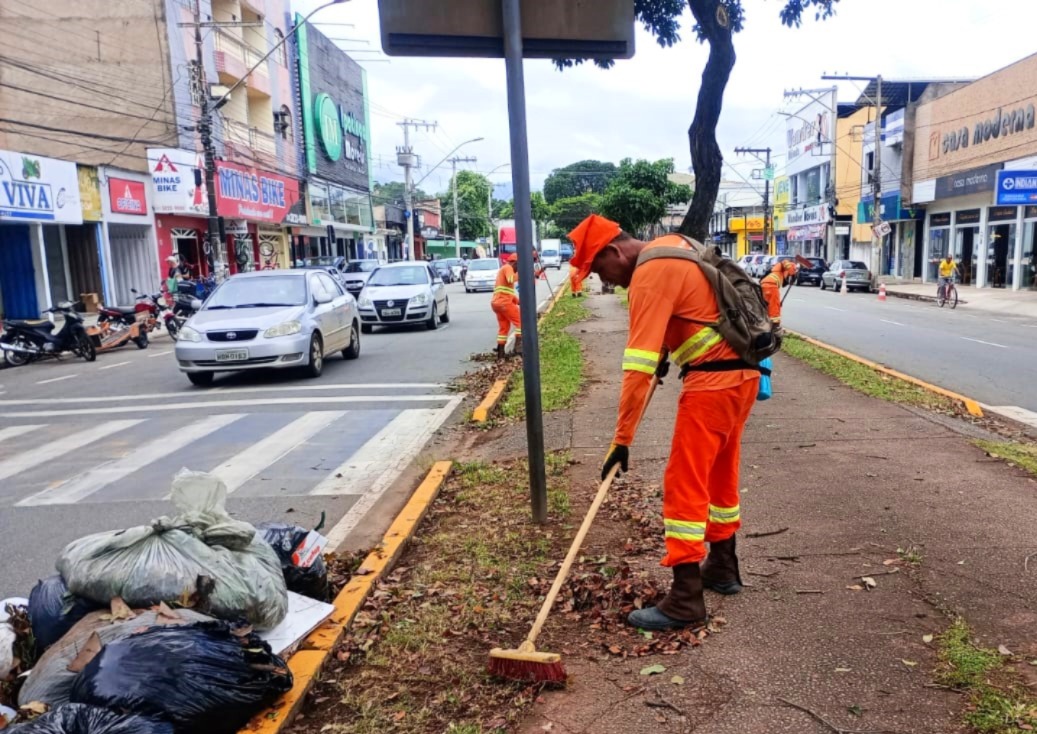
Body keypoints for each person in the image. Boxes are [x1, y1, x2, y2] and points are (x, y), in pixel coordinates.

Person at [568, 214, 760, 631]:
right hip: (743, 375)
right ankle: (723, 566)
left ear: (615, 252)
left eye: (601, 269)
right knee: (719, 474)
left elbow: (637, 366)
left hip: (711, 383)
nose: (608, 282)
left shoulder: (649, 273)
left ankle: (685, 598)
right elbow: (683, 322)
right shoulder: (677, 246)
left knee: (684, 483)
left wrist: (621, 440)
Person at [492, 253, 522, 360]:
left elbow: (507, 292)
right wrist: (523, 273)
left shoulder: (503, 270)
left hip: (497, 304)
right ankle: (518, 349)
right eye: (519, 266)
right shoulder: (508, 267)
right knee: (521, 322)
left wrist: (518, 301)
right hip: (504, 303)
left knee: (504, 328)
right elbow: (511, 279)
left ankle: (500, 354)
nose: (518, 269)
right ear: (515, 262)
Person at [760, 260, 798, 326]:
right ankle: (775, 325)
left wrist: (792, 277)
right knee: (775, 306)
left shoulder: (777, 271)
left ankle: (767, 322)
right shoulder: (786, 265)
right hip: (771, 286)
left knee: (767, 305)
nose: (788, 277)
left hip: (764, 285)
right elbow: (785, 262)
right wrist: (793, 274)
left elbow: (784, 283)